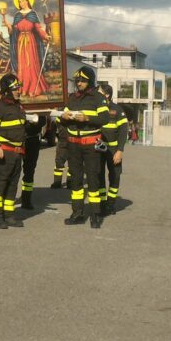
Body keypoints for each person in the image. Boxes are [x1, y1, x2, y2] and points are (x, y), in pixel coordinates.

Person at [61, 67, 110, 228]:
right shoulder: (71, 98)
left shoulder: (98, 98)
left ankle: (95, 215)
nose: (79, 83)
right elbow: (60, 120)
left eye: (82, 80)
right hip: (73, 144)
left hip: (91, 146)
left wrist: (87, 117)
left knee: (93, 179)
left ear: (90, 81)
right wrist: (63, 116)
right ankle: (77, 213)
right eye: (77, 81)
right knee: (75, 180)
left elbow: (104, 118)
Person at [0, 73, 28, 229]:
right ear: (7, 90)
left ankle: (9, 216)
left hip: (17, 152)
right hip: (5, 152)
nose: (18, 91)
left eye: (18, 88)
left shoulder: (18, 106)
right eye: (15, 88)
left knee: (12, 185)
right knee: (0, 185)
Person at [1, 0, 50, 98]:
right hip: (20, 43)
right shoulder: (17, 15)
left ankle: (33, 88)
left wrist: (46, 36)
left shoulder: (32, 14)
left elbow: (38, 28)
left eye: (23, 1)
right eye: (20, 1)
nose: (21, 3)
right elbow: (14, 31)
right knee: (22, 66)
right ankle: (23, 89)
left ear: (28, 1)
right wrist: (9, 26)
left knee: (31, 64)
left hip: (30, 42)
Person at [98, 84, 129, 216]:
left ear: (107, 95)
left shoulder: (117, 110)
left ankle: (111, 204)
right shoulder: (96, 108)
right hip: (98, 148)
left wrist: (120, 150)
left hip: (113, 149)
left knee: (115, 176)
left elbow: (123, 131)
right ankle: (102, 203)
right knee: (98, 176)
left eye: (99, 93)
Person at [18, 114, 43, 210]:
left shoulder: (36, 104)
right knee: (12, 172)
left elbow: (43, 121)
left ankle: (26, 200)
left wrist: (36, 122)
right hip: (15, 140)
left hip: (32, 140)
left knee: (29, 171)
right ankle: (7, 199)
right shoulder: (13, 105)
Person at [50, 114, 69, 188]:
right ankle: (57, 182)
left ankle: (69, 182)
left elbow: (54, 127)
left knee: (71, 163)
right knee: (59, 163)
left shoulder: (61, 114)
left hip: (68, 140)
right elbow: (54, 126)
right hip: (64, 141)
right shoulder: (60, 114)